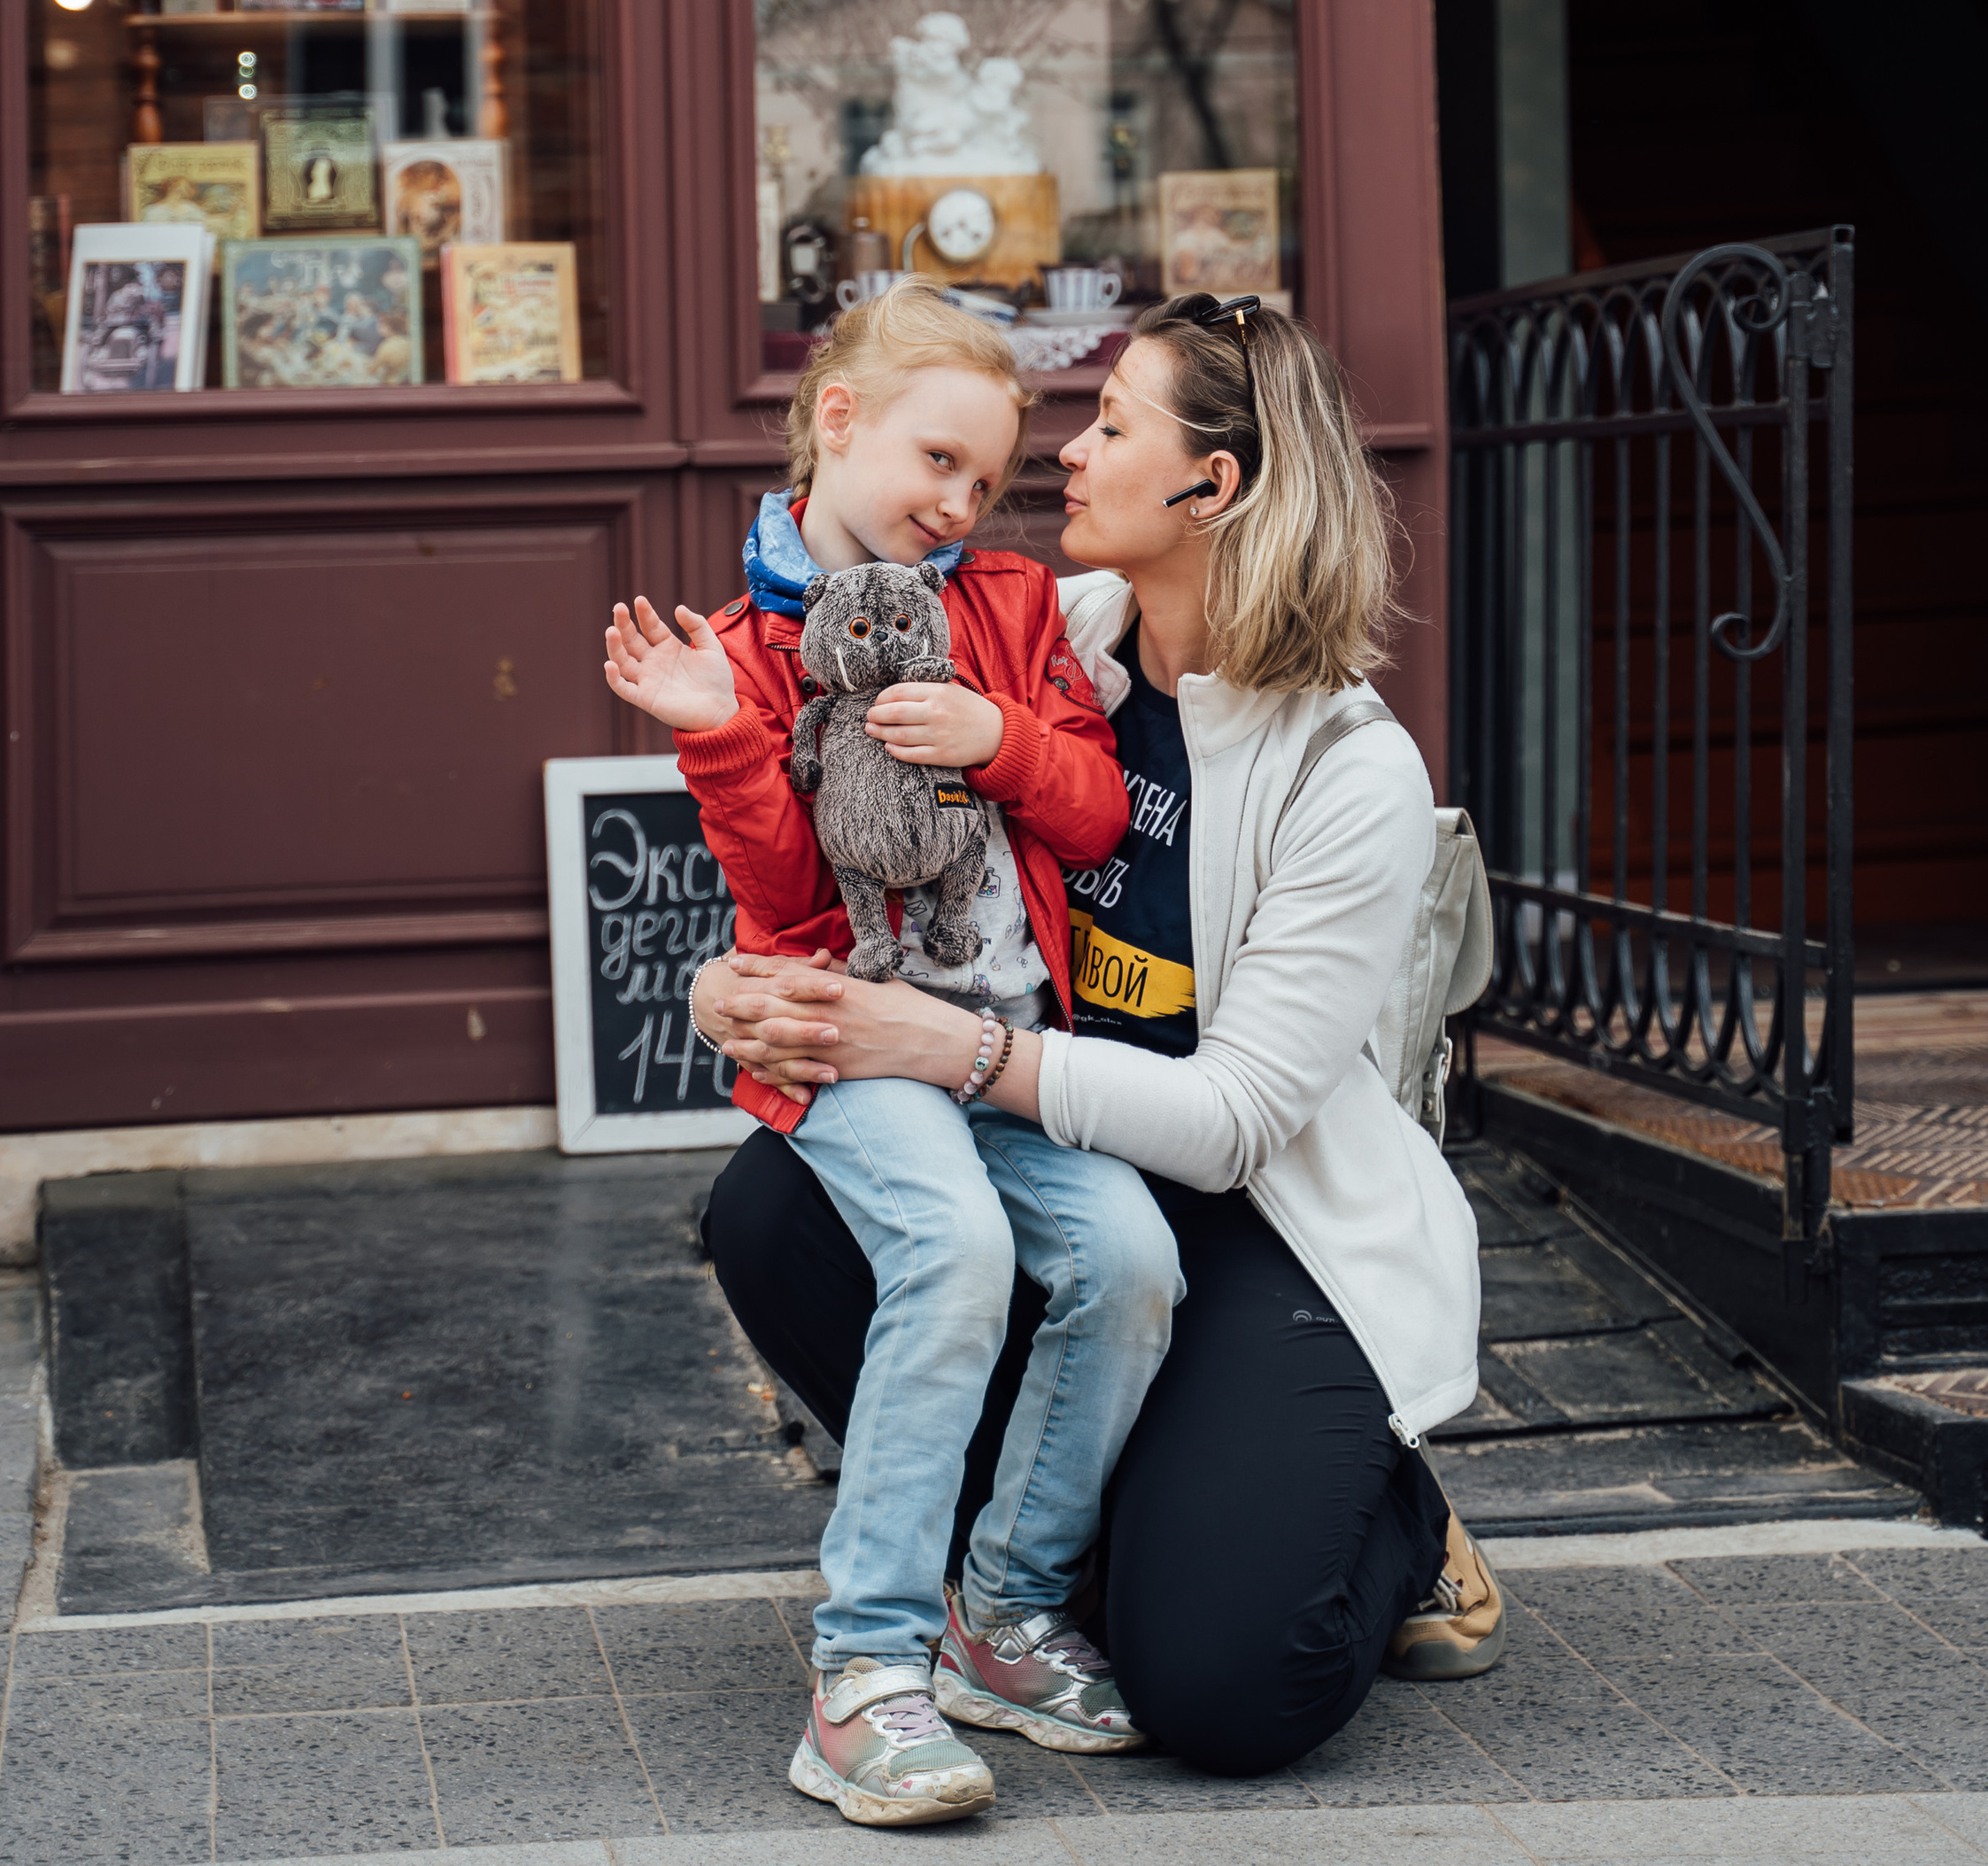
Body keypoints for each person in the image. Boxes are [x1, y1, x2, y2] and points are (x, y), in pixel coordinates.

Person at [692, 293, 1505, 1785]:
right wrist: (728, 990)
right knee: (770, 1203)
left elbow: (1236, 1122)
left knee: (1226, 1693)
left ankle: (1389, 1509)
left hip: (1262, 1220)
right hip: (1064, 1158)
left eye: (1115, 424)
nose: (1066, 453)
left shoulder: (1346, 766)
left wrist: (953, 1055)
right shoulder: (1039, 632)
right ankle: (1018, 1586)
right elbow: (843, 849)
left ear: (1214, 485)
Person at [603, 281, 1183, 1829]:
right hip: (852, 1041)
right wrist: (720, 735)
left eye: (985, 480)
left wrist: (1000, 740)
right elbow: (788, 902)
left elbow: (1097, 815)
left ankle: (1004, 1616)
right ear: (839, 419)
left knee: (1132, 1261)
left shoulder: (1011, 603)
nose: (958, 504)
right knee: (955, 1250)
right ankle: (864, 1672)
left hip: (1002, 1038)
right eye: (938, 460)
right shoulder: (743, 647)